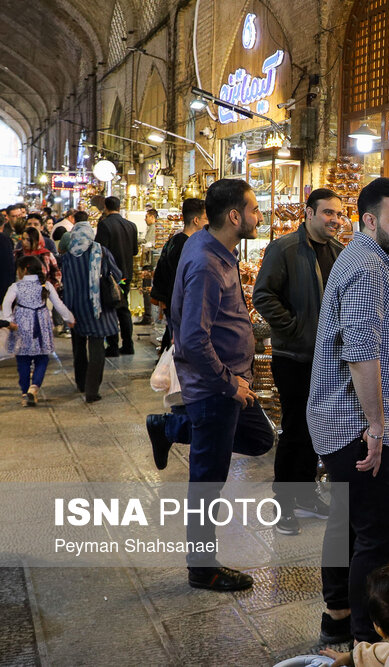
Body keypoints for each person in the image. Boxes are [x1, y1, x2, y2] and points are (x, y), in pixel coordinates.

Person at [144, 178, 274, 592]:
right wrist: (227, 383)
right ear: (235, 216)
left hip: (230, 380)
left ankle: (170, 427)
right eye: (254, 209)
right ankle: (203, 568)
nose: (259, 216)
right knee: (207, 480)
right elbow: (194, 337)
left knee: (259, 439)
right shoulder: (204, 262)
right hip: (216, 388)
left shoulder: (214, 247)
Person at [309, 177, 389, 645]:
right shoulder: (370, 268)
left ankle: (337, 616)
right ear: (370, 221)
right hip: (355, 422)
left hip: (338, 416)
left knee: (346, 521)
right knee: (380, 530)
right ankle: (364, 639)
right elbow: (361, 352)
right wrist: (376, 426)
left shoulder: (356, 256)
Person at [253, 188, 345, 535]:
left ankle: (306, 496)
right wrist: (294, 327)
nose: (335, 220)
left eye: (339, 214)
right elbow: (263, 294)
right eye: (327, 213)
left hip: (327, 359)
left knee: (316, 431)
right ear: (308, 213)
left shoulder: (339, 252)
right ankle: (284, 504)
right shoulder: (285, 248)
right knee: (294, 430)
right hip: (294, 357)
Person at [1, 255, 75, 406]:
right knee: (42, 358)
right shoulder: (46, 285)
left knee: (23, 360)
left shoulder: (16, 286)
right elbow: (59, 305)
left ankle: (24, 393)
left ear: (24, 269)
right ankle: (34, 388)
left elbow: (6, 303)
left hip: (22, 325)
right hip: (41, 324)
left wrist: (8, 320)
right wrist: (70, 319)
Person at [61, 221, 121, 402]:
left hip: (76, 308)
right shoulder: (101, 251)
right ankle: (92, 389)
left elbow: (66, 284)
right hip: (98, 308)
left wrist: (67, 311)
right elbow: (116, 274)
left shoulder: (67, 256)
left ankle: (81, 383)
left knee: (79, 348)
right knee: (97, 349)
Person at [149, 199, 207, 353]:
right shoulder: (186, 245)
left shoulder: (174, 240)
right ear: (196, 220)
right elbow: (179, 280)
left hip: (170, 301)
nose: (208, 224)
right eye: (206, 219)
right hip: (177, 304)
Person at [94, 195, 138, 356]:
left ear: (106, 207)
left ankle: (113, 346)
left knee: (110, 307)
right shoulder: (131, 226)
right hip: (126, 275)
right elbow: (135, 251)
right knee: (124, 307)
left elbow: (100, 251)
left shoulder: (105, 225)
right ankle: (128, 344)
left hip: (110, 276)